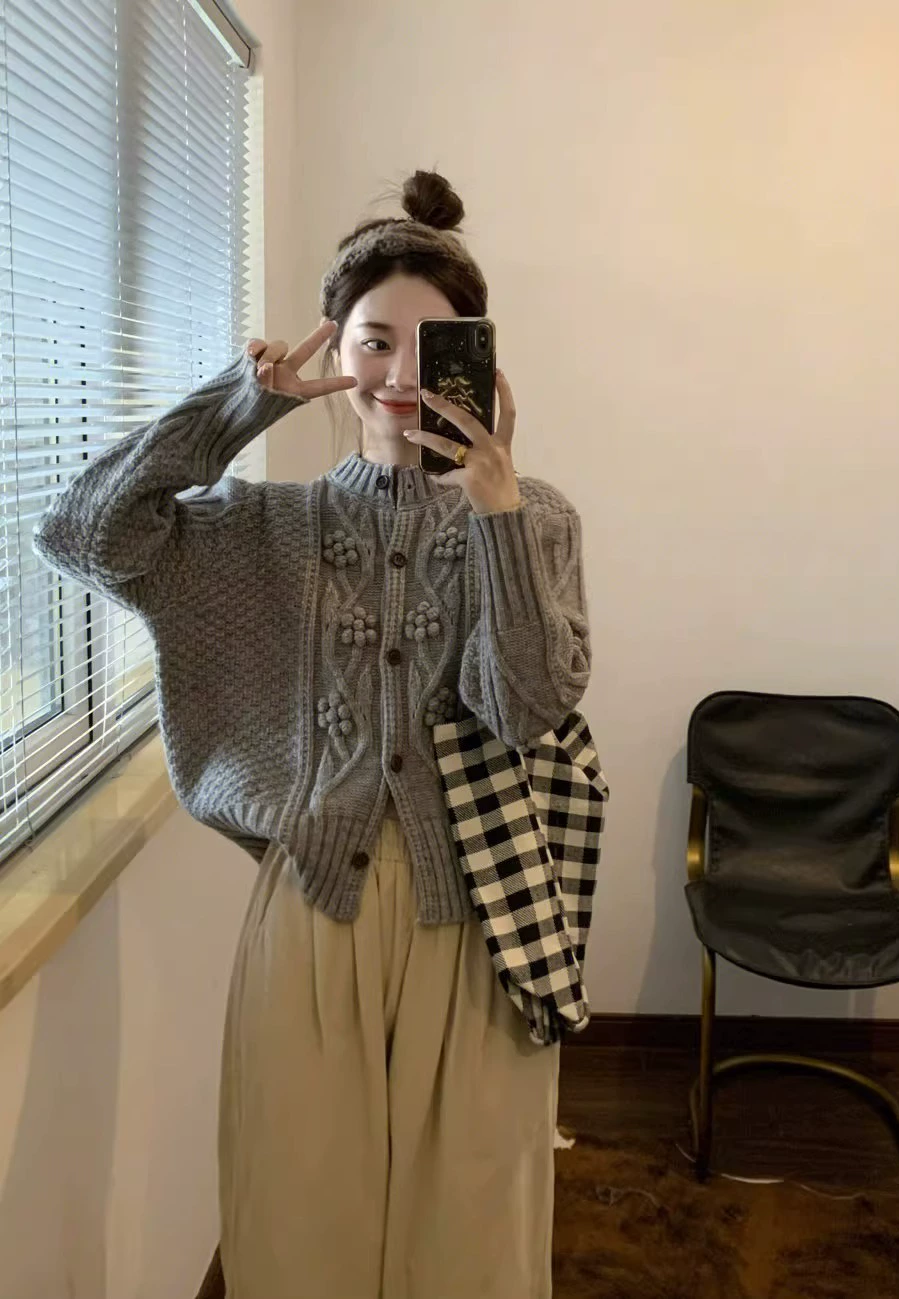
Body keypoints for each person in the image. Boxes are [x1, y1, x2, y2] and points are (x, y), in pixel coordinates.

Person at [33, 169, 591, 1299]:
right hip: (311, 905)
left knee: (474, 1235)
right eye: (374, 342)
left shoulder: (534, 518)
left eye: (434, 348)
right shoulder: (256, 528)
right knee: (296, 1226)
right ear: (336, 350)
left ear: (478, 358)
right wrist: (240, 407)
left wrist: (494, 510)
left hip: (479, 911)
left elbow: (527, 705)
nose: (400, 377)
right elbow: (84, 533)